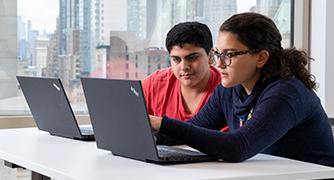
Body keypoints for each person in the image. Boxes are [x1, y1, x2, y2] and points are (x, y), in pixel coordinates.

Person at [149, 12, 334, 167]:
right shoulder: (230, 89)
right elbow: (194, 129)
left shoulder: (285, 93)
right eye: (218, 54)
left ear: (261, 58)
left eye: (229, 55)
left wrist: (161, 123)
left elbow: (238, 147)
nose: (219, 64)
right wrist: (152, 137)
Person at [142, 22, 221, 121]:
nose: (184, 67)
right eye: (176, 59)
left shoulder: (228, 91)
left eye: (192, 58)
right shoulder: (154, 84)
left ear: (210, 57)